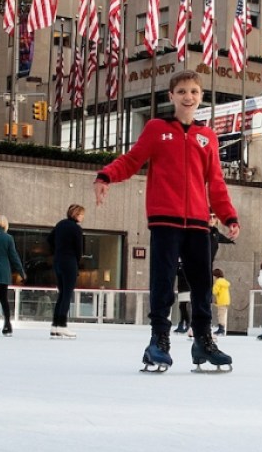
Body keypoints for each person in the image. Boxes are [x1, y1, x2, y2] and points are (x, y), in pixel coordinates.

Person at [94, 70, 240, 372]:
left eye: (195, 92)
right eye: (183, 91)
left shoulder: (207, 136)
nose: (189, 97)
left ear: (201, 97)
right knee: (163, 282)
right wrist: (107, 174)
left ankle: (203, 341)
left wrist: (228, 215)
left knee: (202, 285)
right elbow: (133, 160)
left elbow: (216, 182)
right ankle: (158, 341)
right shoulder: (156, 128)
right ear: (171, 96)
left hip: (200, 223)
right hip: (165, 221)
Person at [47, 204, 85, 339]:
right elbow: (79, 249)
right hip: (69, 262)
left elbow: (49, 239)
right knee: (67, 294)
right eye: (81, 214)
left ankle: (55, 326)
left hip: (58, 261)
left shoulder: (60, 224)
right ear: (76, 214)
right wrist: (77, 260)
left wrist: (57, 250)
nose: (83, 217)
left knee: (62, 294)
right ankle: (62, 326)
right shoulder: (76, 229)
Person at [0, 215, 25, 336]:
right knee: (3, 299)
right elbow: (14, 257)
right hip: (3, 271)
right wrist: (21, 272)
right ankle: (7, 325)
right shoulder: (8, 238)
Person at [212, 268, 230, 337]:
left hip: (221, 301)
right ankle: (221, 328)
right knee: (222, 314)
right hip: (225, 300)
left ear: (215, 276)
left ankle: (221, 329)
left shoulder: (218, 282)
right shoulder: (224, 281)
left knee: (220, 315)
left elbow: (214, 291)